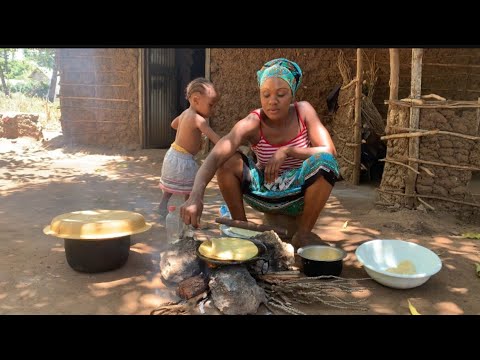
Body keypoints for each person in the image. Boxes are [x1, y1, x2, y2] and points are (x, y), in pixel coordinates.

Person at [179, 58, 339, 249]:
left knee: (325, 162)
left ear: (292, 96)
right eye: (266, 95)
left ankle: (303, 235)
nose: (272, 101)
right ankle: (242, 231)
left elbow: (329, 151)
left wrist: (287, 151)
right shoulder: (254, 121)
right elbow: (217, 154)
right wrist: (196, 195)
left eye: (281, 94)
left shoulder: (303, 111)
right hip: (264, 192)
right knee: (228, 161)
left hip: (299, 191)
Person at [158, 77, 221, 217]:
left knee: (171, 186)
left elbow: (173, 124)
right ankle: (189, 212)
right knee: (191, 189)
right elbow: (215, 138)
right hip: (184, 160)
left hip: (172, 154)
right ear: (196, 100)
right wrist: (230, 144)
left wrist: (186, 129)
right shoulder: (199, 120)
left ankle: (162, 205)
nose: (213, 109)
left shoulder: (185, 114)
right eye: (211, 105)